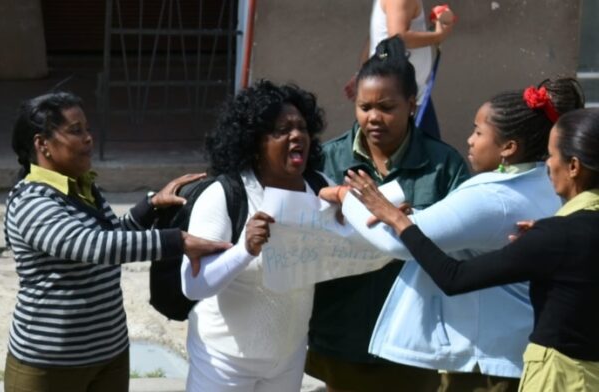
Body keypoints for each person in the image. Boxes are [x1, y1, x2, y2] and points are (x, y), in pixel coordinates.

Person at [322, 77, 585, 391]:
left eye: (478, 132)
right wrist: (410, 217)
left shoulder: (493, 198)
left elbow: (399, 242)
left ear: (509, 148)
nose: (470, 140)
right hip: (519, 350)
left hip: (487, 364)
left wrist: (345, 197)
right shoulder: (542, 183)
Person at [3, 91, 230, 392]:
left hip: (109, 352)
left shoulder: (84, 187)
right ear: (42, 143)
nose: (88, 139)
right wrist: (177, 241)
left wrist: (150, 207)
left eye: (86, 129)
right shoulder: (31, 200)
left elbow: (113, 236)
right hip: (50, 363)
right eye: (76, 130)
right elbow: (93, 247)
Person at [306, 36, 469, 392]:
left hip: (415, 336)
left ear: (412, 105)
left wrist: (415, 221)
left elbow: (463, 242)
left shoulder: (443, 165)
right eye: (365, 107)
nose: (374, 117)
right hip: (341, 328)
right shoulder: (326, 160)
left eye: (387, 107)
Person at [179, 80, 328, 391]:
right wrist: (243, 250)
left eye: (302, 127)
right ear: (255, 142)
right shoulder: (225, 195)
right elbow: (193, 286)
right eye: (282, 129)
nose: (297, 135)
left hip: (287, 358)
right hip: (223, 363)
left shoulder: (320, 187)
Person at [344, 0, 456, 138]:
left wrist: (363, 73)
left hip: (408, 95)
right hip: (397, 98)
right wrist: (439, 36)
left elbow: (376, 40)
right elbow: (398, 37)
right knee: (425, 155)